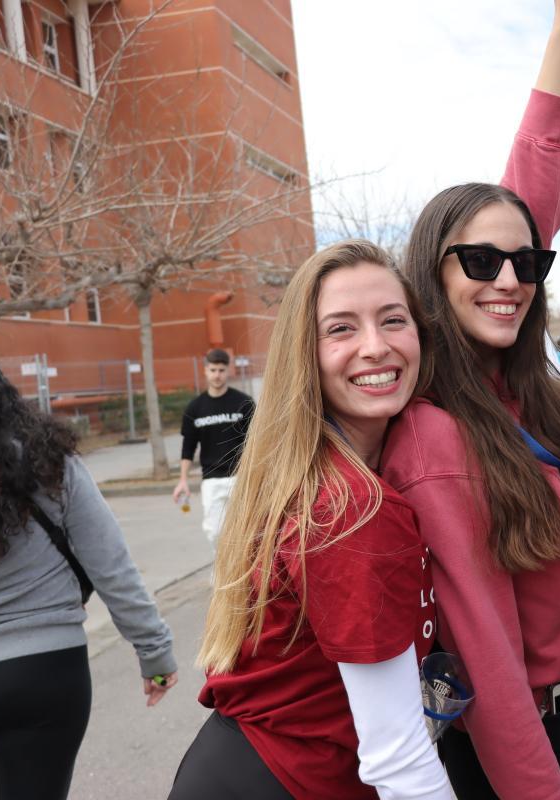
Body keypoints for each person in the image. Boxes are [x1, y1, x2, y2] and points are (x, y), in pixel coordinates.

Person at [382, 5, 560, 798]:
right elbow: (487, 658)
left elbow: (532, 184)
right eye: (481, 261)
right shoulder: (434, 434)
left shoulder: (518, 391)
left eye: (526, 263)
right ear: (435, 273)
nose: (509, 280)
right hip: (534, 746)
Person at [168, 241, 451, 799]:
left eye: (393, 320)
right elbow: (398, 761)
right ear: (305, 351)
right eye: (341, 329)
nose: (376, 347)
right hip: (277, 779)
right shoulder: (351, 508)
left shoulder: (316, 465)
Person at [0, 353, 176, 800]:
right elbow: (111, 565)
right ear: (4, 398)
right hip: (42, 674)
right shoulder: (50, 464)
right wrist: (155, 654)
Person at [172, 349, 255, 549]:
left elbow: (256, 442)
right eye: (213, 370)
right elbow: (188, 447)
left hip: (242, 477)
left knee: (247, 532)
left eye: (221, 370)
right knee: (215, 531)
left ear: (228, 371)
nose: (217, 375)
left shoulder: (243, 403)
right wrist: (183, 480)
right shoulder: (195, 408)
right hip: (211, 479)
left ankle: (247, 576)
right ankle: (223, 574)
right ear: (205, 371)